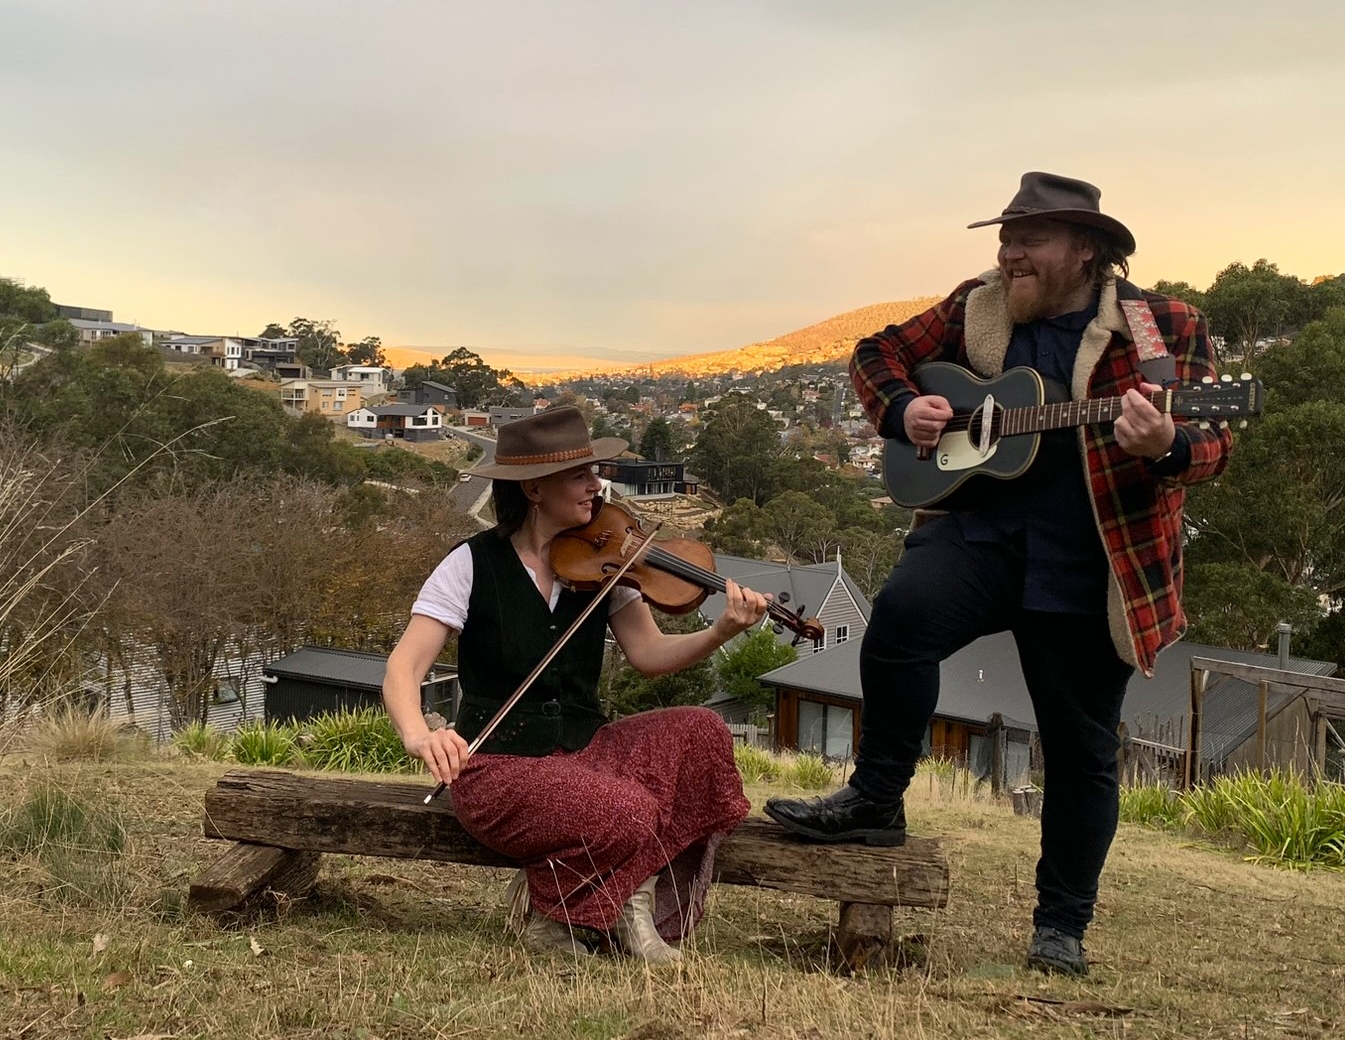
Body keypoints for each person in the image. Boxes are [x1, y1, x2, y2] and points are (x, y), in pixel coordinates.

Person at [765, 173, 1234, 976]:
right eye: (1004, 238)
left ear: (1085, 251)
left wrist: (1166, 446)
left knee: (1079, 749)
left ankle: (1060, 926)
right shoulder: (974, 305)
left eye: (1029, 240)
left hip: (1094, 557)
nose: (1009, 253)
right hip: (980, 533)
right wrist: (900, 408)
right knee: (900, 624)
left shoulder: (1163, 327)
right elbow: (875, 354)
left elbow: (1214, 439)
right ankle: (874, 801)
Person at [384, 406, 769, 962]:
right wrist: (420, 735)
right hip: (500, 766)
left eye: (597, 472)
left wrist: (721, 630)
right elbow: (403, 669)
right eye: (581, 476)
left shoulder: (607, 564)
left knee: (702, 730)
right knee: (630, 811)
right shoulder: (471, 565)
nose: (598, 485)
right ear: (535, 489)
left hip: (585, 751)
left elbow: (650, 653)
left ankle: (623, 907)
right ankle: (555, 917)